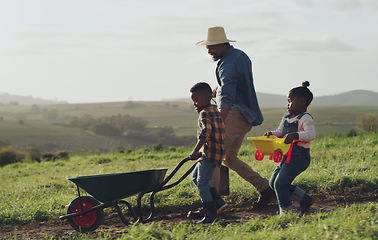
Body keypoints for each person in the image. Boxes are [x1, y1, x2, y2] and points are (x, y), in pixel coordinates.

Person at [196, 26, 275, 208]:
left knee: (212, 156)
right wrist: (219, 89)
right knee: (228, 158)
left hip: (233, 115)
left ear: (224, 44)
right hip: (246, 116)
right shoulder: (239, 56)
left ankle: (212, 204)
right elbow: (234, 85)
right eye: (207, 47)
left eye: (212, 46)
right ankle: (265, 189)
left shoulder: (228, 64)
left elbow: (229, 94)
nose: (209, 51)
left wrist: (219, 121)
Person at [265, 81, 316, 216]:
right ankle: (305, 199)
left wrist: (295, 135)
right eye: (287, 102)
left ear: (302, 101)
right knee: (273, 183)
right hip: (286, 157)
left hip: (299, 158)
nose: (287, 105)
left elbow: (311, 134)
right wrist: (272, 134)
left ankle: (286, 213)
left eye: (290, 101)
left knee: (280, 184)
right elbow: (280, 132)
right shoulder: (287, 117)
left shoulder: (305, 118)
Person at [189, 82, 227, 224]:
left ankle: (210, 216)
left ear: (206, 99)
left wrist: (195, 151)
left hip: (209, 154)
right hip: (215, 152)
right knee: (195, 178)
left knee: (202, 183)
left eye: (196, 101)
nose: (195, 105)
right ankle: (219, 202)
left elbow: (206, 133)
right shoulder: (215, 111)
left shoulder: (204, 114)